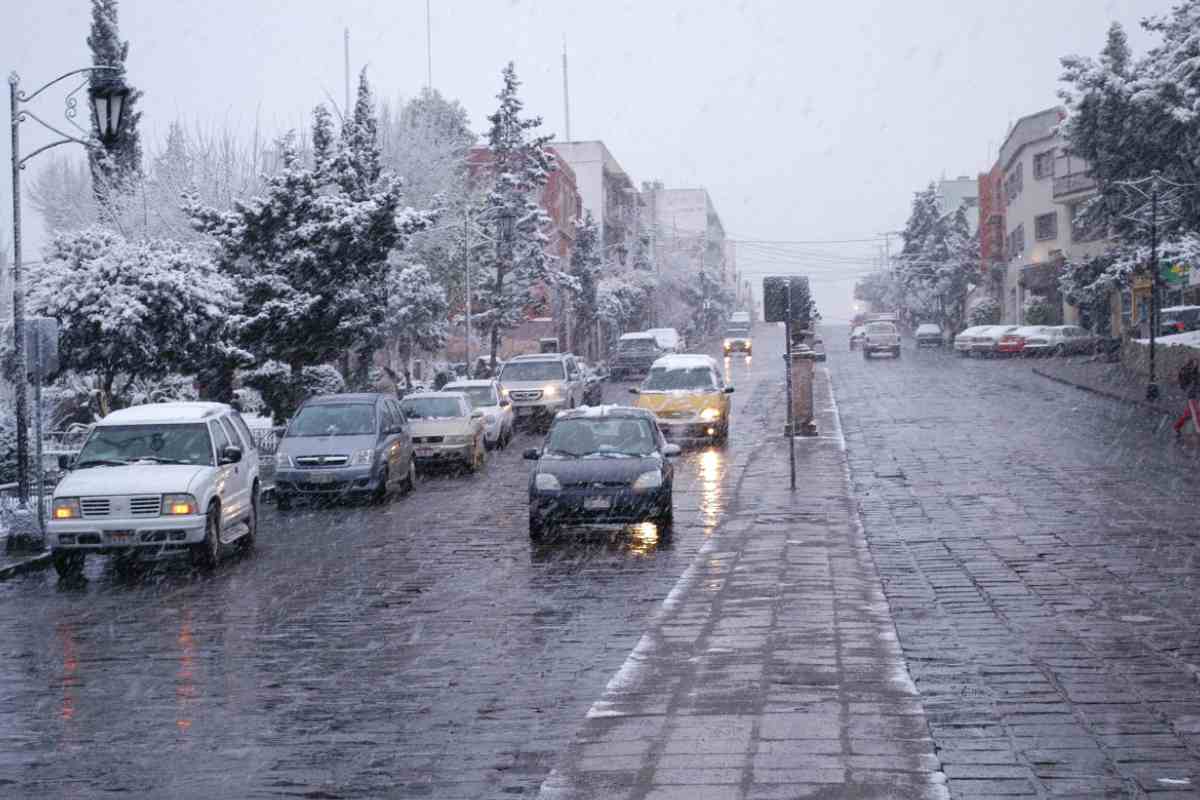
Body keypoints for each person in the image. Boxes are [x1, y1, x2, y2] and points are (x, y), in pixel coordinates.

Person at [1173, 358, 1199, 439]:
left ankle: (1177, 427)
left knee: (1189, 413)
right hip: (1193, 396)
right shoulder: (1188, 371)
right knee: (1195, 413)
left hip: (1195, 395)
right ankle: (1198, 430)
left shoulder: (1194, 372)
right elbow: (1184, 383)